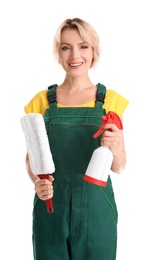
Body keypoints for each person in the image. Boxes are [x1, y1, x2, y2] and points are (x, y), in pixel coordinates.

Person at [24, 18, 129, 260]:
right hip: (51, 206)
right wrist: (36, 182)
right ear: (58, 53)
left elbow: (120, 165)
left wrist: (114, 148)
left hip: (97, 207)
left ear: (94, 51)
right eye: (65, 47)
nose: (75, 54)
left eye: (83, 46)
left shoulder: (110, 100)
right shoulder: (41, 101)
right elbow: (31, 159)